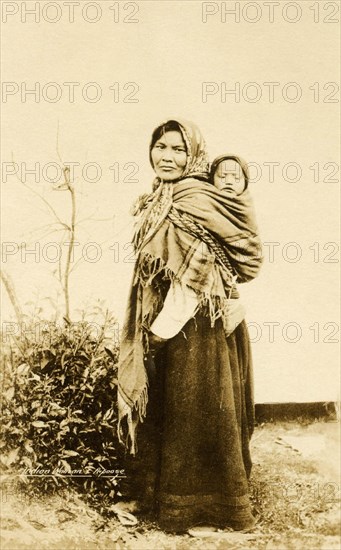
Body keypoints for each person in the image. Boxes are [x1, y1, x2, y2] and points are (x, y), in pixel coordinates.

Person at [117, 118, 263, 533]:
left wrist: (159, 332)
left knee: (197, 414)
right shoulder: (161, 198)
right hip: (176, 322)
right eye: (160, 147)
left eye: (178, 149)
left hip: (198, 327)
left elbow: (197, 272)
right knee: (174, 413)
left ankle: (209, 511)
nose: (167, 156)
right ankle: (161, 501)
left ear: (194, 154)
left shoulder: (195, 198)